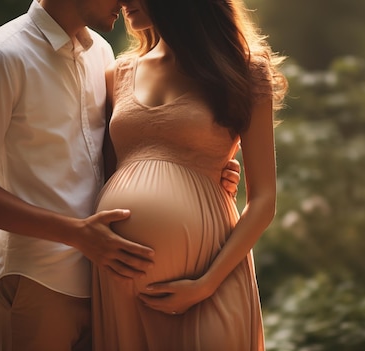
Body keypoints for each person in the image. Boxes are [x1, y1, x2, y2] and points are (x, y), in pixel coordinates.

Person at [0, 0, 240, 350]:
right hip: (40, 283)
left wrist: (196, 168)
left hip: (111, 286)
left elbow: (117, 155)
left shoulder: (102, 53)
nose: (127, 1)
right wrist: (77, 235)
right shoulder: (0, 57)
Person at [91, 0, 288, 350]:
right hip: (123, 285)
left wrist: (206, 284)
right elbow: (107, 175)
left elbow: (264, 200)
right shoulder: (115, 75)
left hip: (213, 276)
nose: (124, 1)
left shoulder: (243, 71)